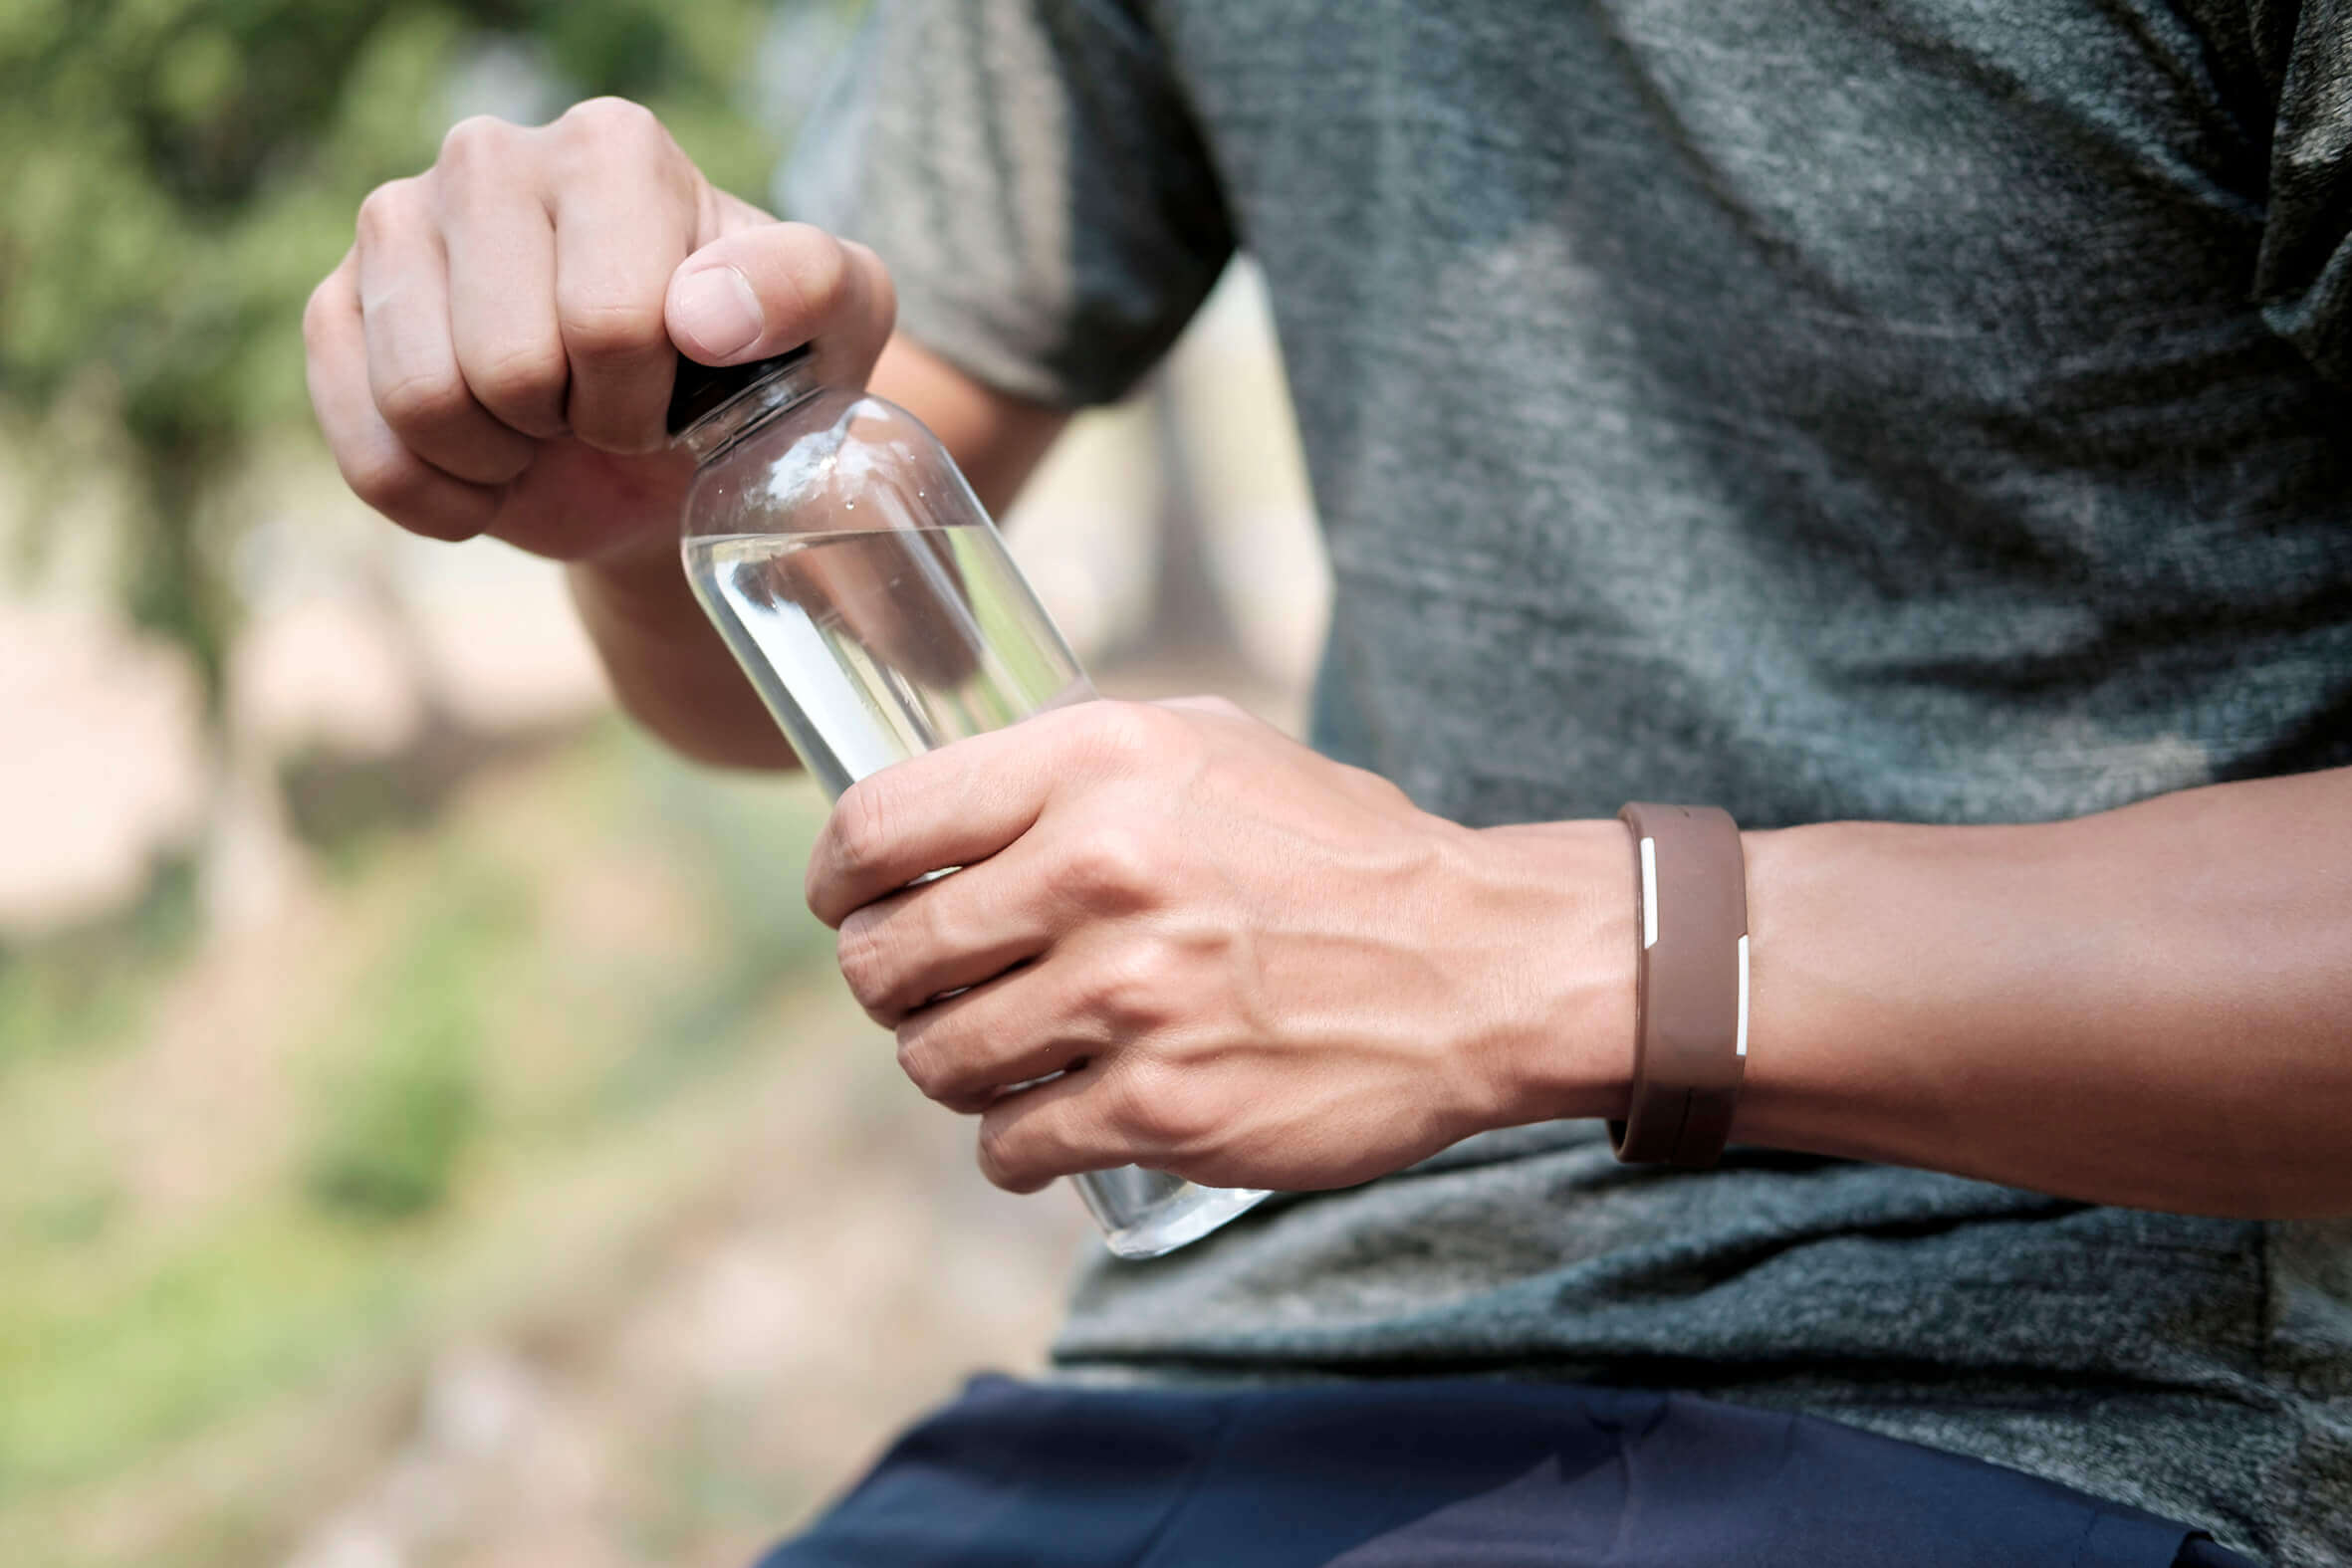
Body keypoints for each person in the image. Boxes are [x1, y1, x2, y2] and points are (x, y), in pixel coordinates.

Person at [303, 2, 2352, 1562]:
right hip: (1231, 1356)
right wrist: (643, 489)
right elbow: (795, 626)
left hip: (2059, 1390)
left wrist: (1520, 956)